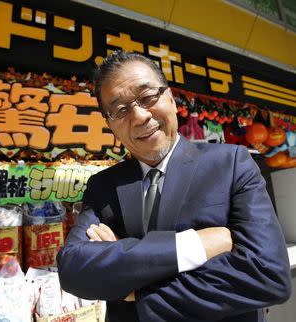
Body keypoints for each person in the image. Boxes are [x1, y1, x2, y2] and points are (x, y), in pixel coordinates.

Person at [56, 50, 291, 322]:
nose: (140, 116)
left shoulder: (231, 164)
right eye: (120, 109)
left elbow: (267, 275)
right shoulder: (103, 186)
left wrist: (136, 286)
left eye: (147, 97)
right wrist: (192, 246)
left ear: (170, 97)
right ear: (110, 125)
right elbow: (74, 269)